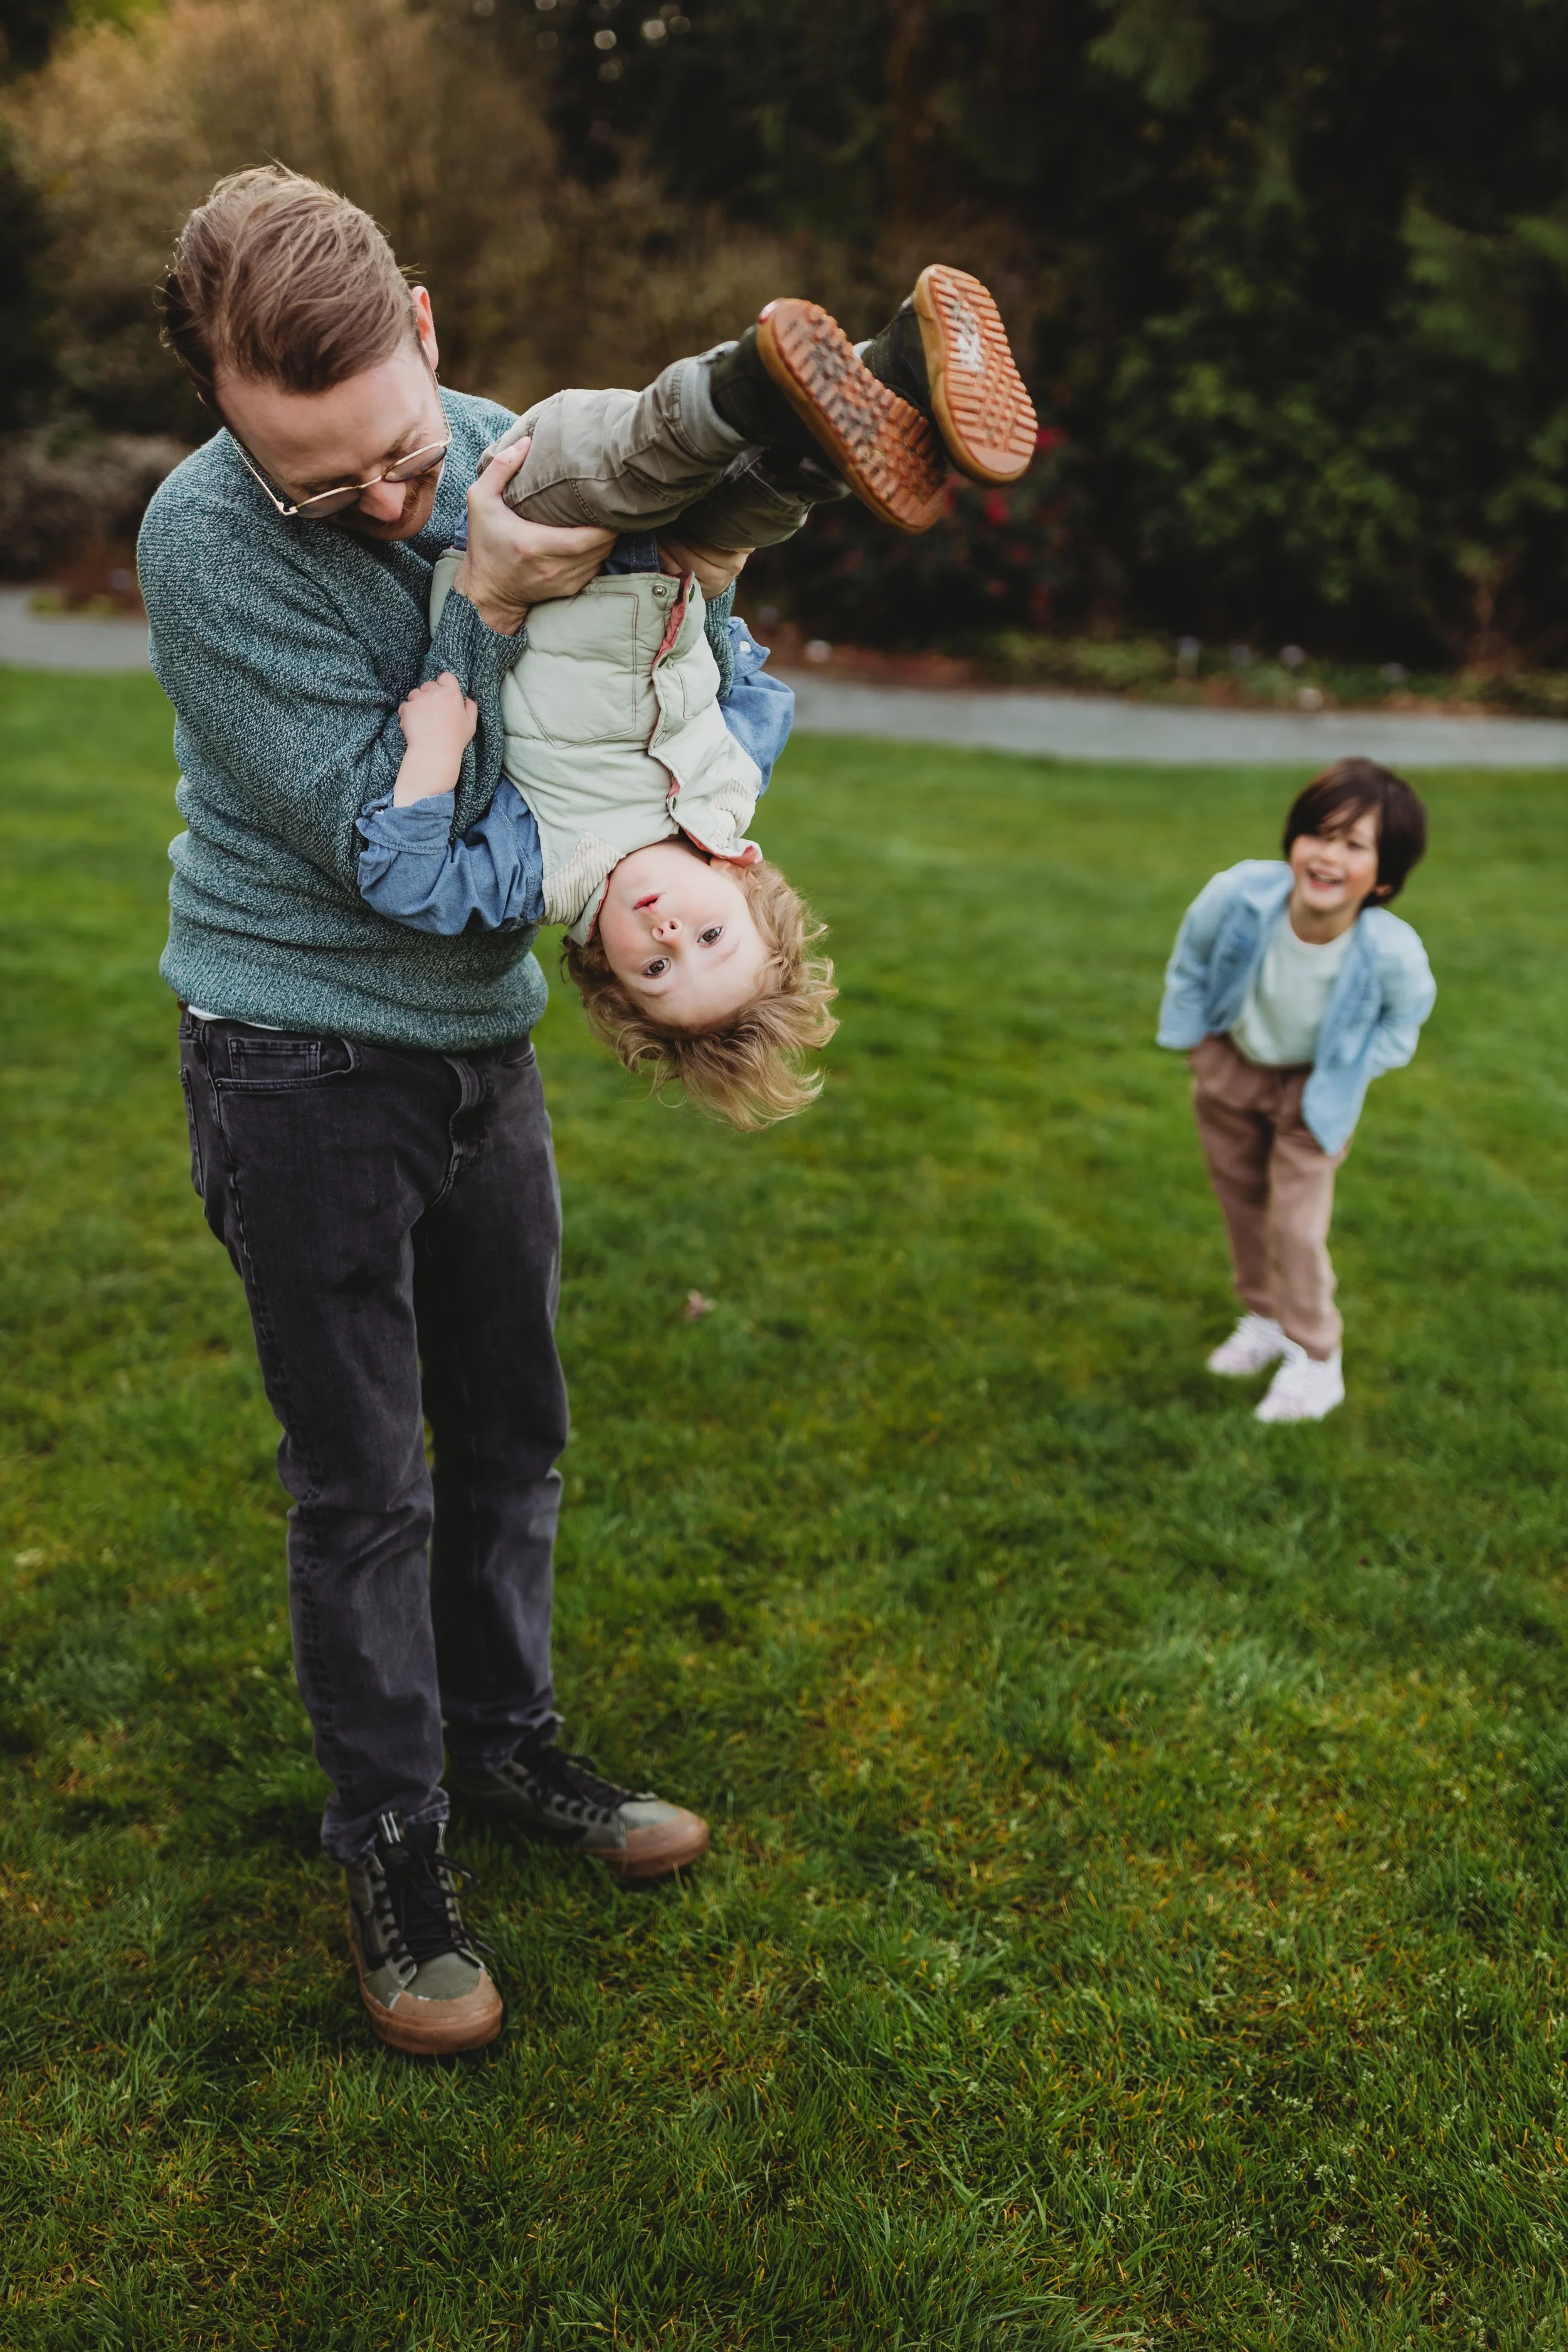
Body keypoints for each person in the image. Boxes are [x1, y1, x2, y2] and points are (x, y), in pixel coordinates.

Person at [354, 276, 1040, 1125]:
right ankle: (892, 370)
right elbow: (753, 688)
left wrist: (431, 759)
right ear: (741, 878)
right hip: (665, 561)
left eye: (655, 972)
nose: (669, 936)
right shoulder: (733, 789)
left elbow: (407, 883)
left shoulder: (546, 875)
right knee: (751, 508)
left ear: (605, 966)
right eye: (711, 937)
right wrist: (702, 599)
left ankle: (746, 382)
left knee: (642, 461)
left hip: (536, 524)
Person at [1157, 760, 1435, 1424]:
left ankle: (1317, 1357)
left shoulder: (1391, 951)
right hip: (1232, 1066)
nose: (1327, 855)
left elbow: (1405, 1020)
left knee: (1295, 1225)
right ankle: (1263, 1319)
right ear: (1293, 840)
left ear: (1385, 877)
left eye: (1353, 844)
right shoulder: (1237, 895)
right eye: (1318, 833)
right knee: (1244, 1204)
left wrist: (1352, 1067)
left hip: (1316, 1095)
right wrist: (1199, 1043)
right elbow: (1190, 961)